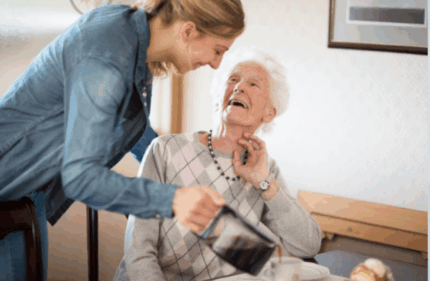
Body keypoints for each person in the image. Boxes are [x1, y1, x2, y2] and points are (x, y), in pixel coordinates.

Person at [0, 0, 245, 280]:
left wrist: (184, 181)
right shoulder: (107, 56)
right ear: (188, 31)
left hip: (31, 191)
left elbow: (139, 134)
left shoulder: (134, 41)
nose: (216, 64)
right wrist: (175, 199)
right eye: (218, 50)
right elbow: (81, 178)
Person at [114, 47, 322, 281]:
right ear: (217, 97)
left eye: (253, 84)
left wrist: (263, 182)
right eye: (233, 79)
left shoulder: (264, 169)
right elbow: (139, 249)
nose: (239, 86)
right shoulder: (166, 149)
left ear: (269, 113)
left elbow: (307, 246)